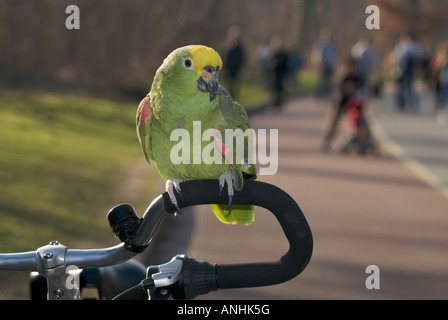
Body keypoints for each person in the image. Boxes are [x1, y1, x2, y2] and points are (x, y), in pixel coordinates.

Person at [321, 58, 364, 151]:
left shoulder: (359, 79)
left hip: (354, 106)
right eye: (352, 67)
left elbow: (363, 92)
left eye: (355, 67)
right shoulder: (345, 78)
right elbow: (341, 91)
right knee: (334, 123)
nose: (354, 69)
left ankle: (359, 142)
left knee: (359, 123)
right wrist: (347, 89)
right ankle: (327, 141)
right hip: (342, 104)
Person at [394, 34, 422, 112]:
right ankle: (408, 104)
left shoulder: (402, 47)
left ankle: (404, 104)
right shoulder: (415, 47)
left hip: (405, 69)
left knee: (404, 87)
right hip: (409, 69)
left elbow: (397, 58)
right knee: (407, 87)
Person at [311, 28, 337, 101]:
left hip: (330, 65)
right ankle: (319, 95)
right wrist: (320, 63)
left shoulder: (333, 45)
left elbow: (334, 56)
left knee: (329, 81)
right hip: (323, 65)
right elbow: (318, 55)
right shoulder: (321, 45)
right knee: (322, 81)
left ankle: (328, 94)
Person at [224, 26, 245, 100]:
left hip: (236, 67)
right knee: (229, 83)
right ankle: (229, 96)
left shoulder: (239, 46)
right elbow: (225, 56)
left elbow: (241, 57)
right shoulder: (228, 45)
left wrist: (240, 66)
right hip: (229, 67)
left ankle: (234, 97)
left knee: (235, 83)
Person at [269, 35, 289, 108]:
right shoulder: (272, 53)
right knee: (274, 88)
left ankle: (280, 102)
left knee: (280, 89)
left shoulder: (283, 54)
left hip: (281, 73)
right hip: (274, 74)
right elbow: (269, 63)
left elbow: (286, 64)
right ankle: (275, 102)